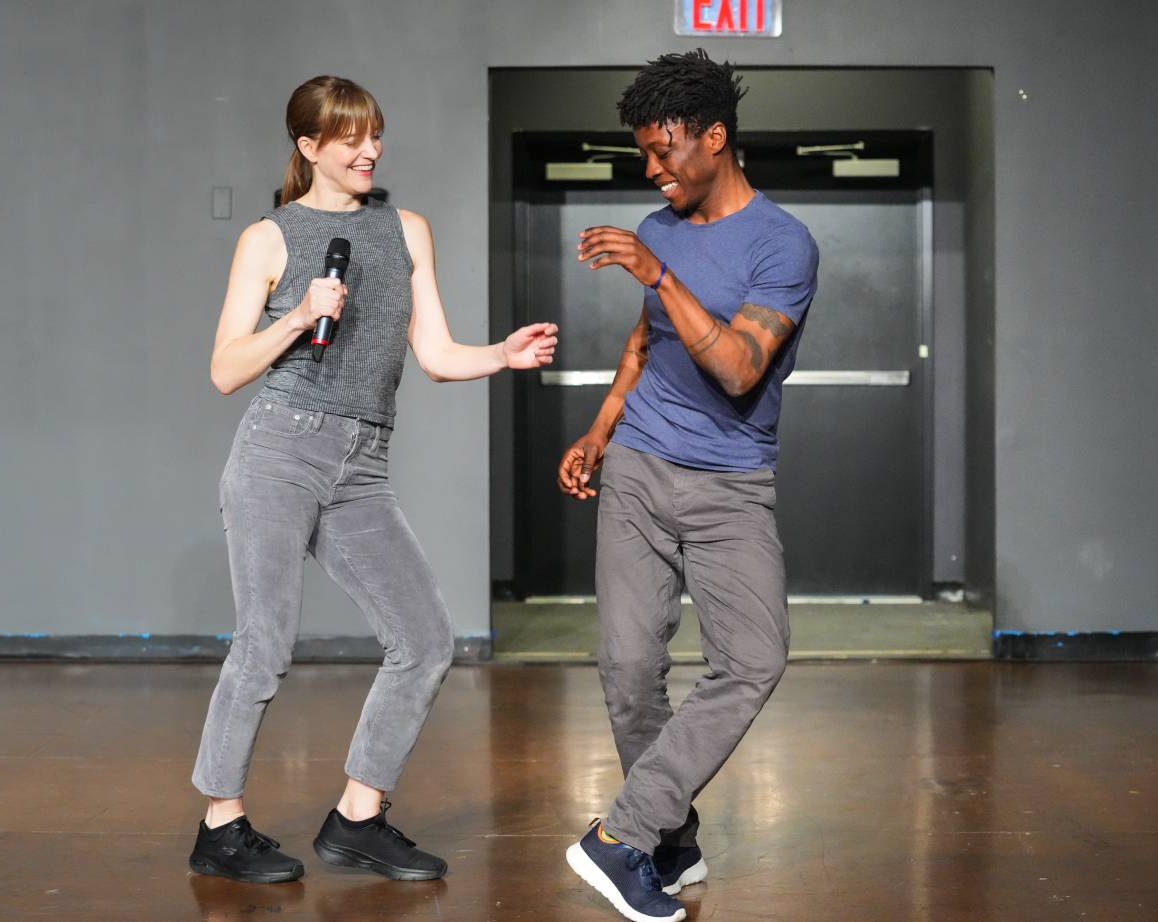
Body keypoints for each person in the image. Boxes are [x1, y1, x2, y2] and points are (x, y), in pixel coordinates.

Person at [188, 75, 558, 885]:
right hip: (278, 453)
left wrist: (502, 354)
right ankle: (220, 825)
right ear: (309, 147)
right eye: (350, 138)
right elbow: (223, 370)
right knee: (265, 645)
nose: (369, 150)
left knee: (425, 639)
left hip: (364, 461)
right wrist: (293, 316)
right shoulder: (268, 239)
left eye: (376, 134)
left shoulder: (406, 229)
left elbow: (434, 354)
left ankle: (358, 817)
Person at [557, 50, 818, 922]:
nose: (653, 169)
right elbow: (646, 342)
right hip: (636, 466)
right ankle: (662, 840)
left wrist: (657, 273)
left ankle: (618, 836)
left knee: (754, 659)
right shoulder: (658, 227)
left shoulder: (782, 244)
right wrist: (598, 432)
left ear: (717, 138)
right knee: (629, 670)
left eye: (666, 151)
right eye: (643, 154)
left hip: (732, 484)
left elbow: (742, 369)